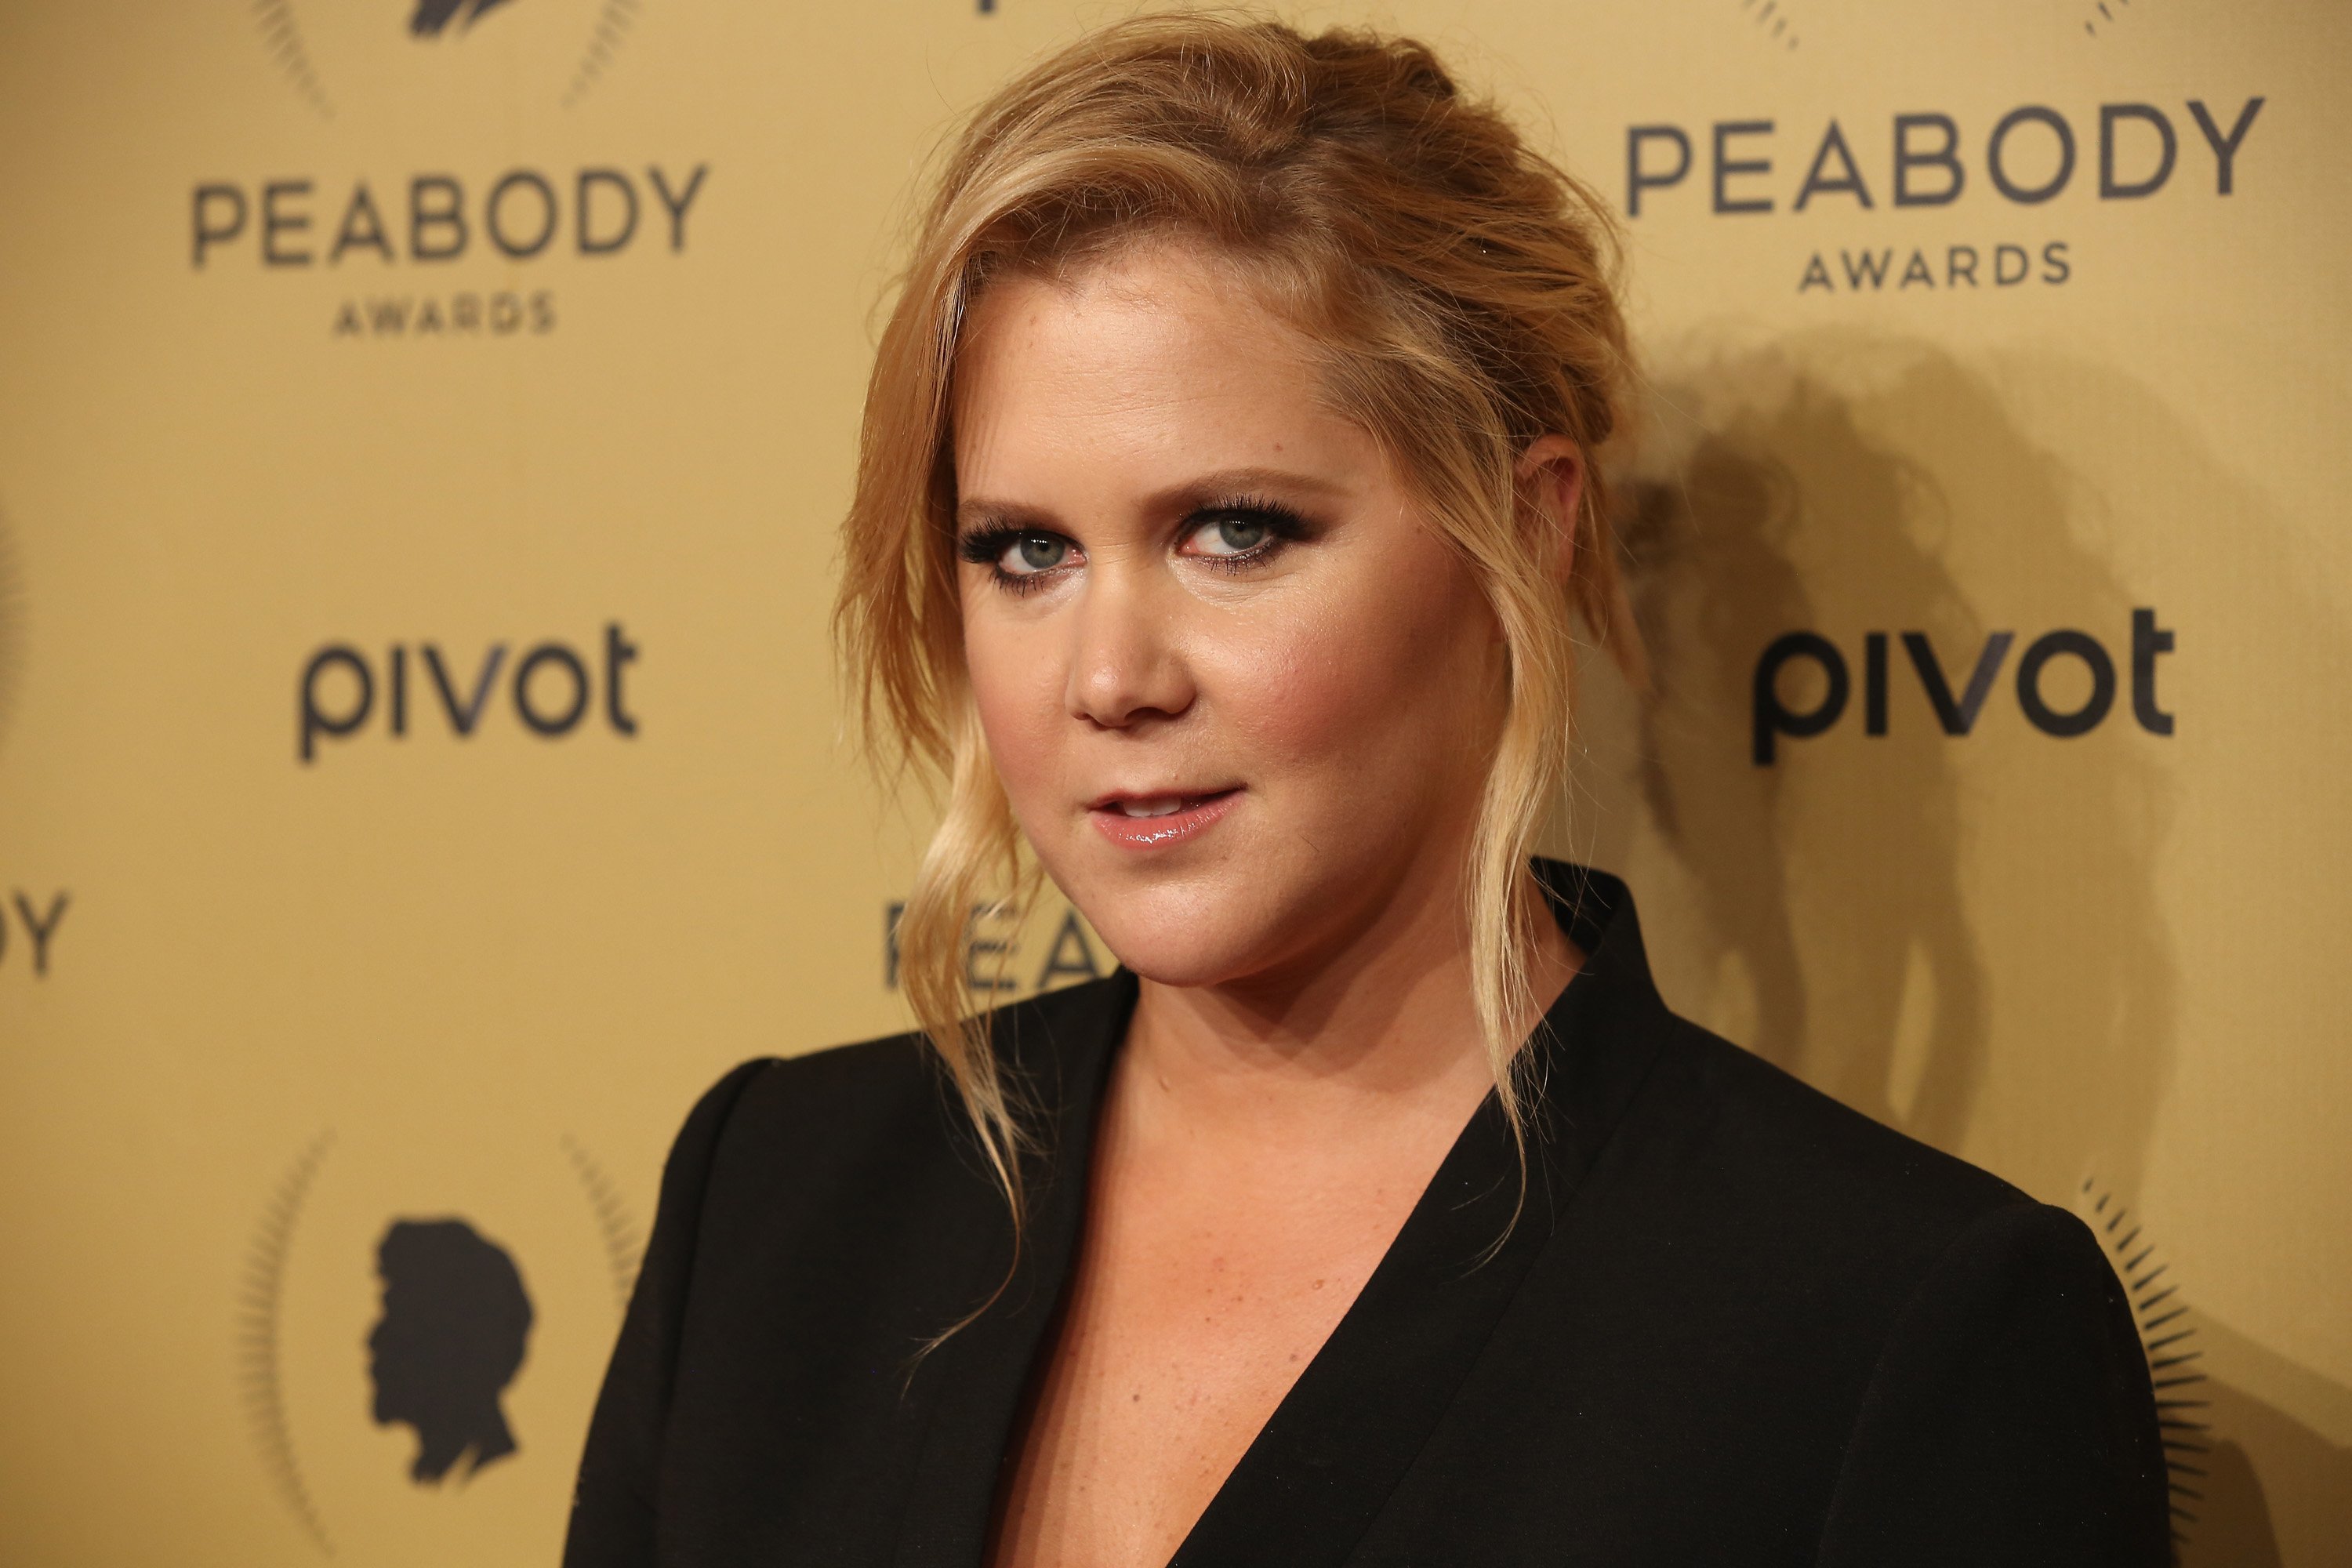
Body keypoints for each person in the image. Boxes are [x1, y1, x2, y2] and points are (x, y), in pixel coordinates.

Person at [564, 16, 2167, 1566]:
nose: (1110, 676)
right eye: (1025, 550)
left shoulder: (1891, 1326)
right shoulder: (774, 1201)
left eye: (1236, 531)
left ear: (1521, 534)